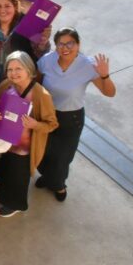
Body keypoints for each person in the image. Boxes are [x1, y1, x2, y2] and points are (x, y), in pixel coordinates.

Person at [36, 28, 115, 202]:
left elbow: (110, 93)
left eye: (70, 43)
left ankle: (59, 184)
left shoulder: (88, 65)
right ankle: (47, 177)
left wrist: (104, 76)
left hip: (71, 118)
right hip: (47, 115)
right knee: (44, 152)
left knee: (62, 157)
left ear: (78, 44)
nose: (65, 48)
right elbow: (37, 81)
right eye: (60, 44)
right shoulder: (47, 60)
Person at [0, 51, 58, 217]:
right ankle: (2, 194)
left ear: (29, 69)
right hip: (3, 141)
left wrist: (35, 124)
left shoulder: (41, 94)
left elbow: (52, 124)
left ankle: (16, 204)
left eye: (18, 69)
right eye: (10, 69)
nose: (13, 73)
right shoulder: (6, 85)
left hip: (23, 148)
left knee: (18, 177)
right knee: (3, 170)